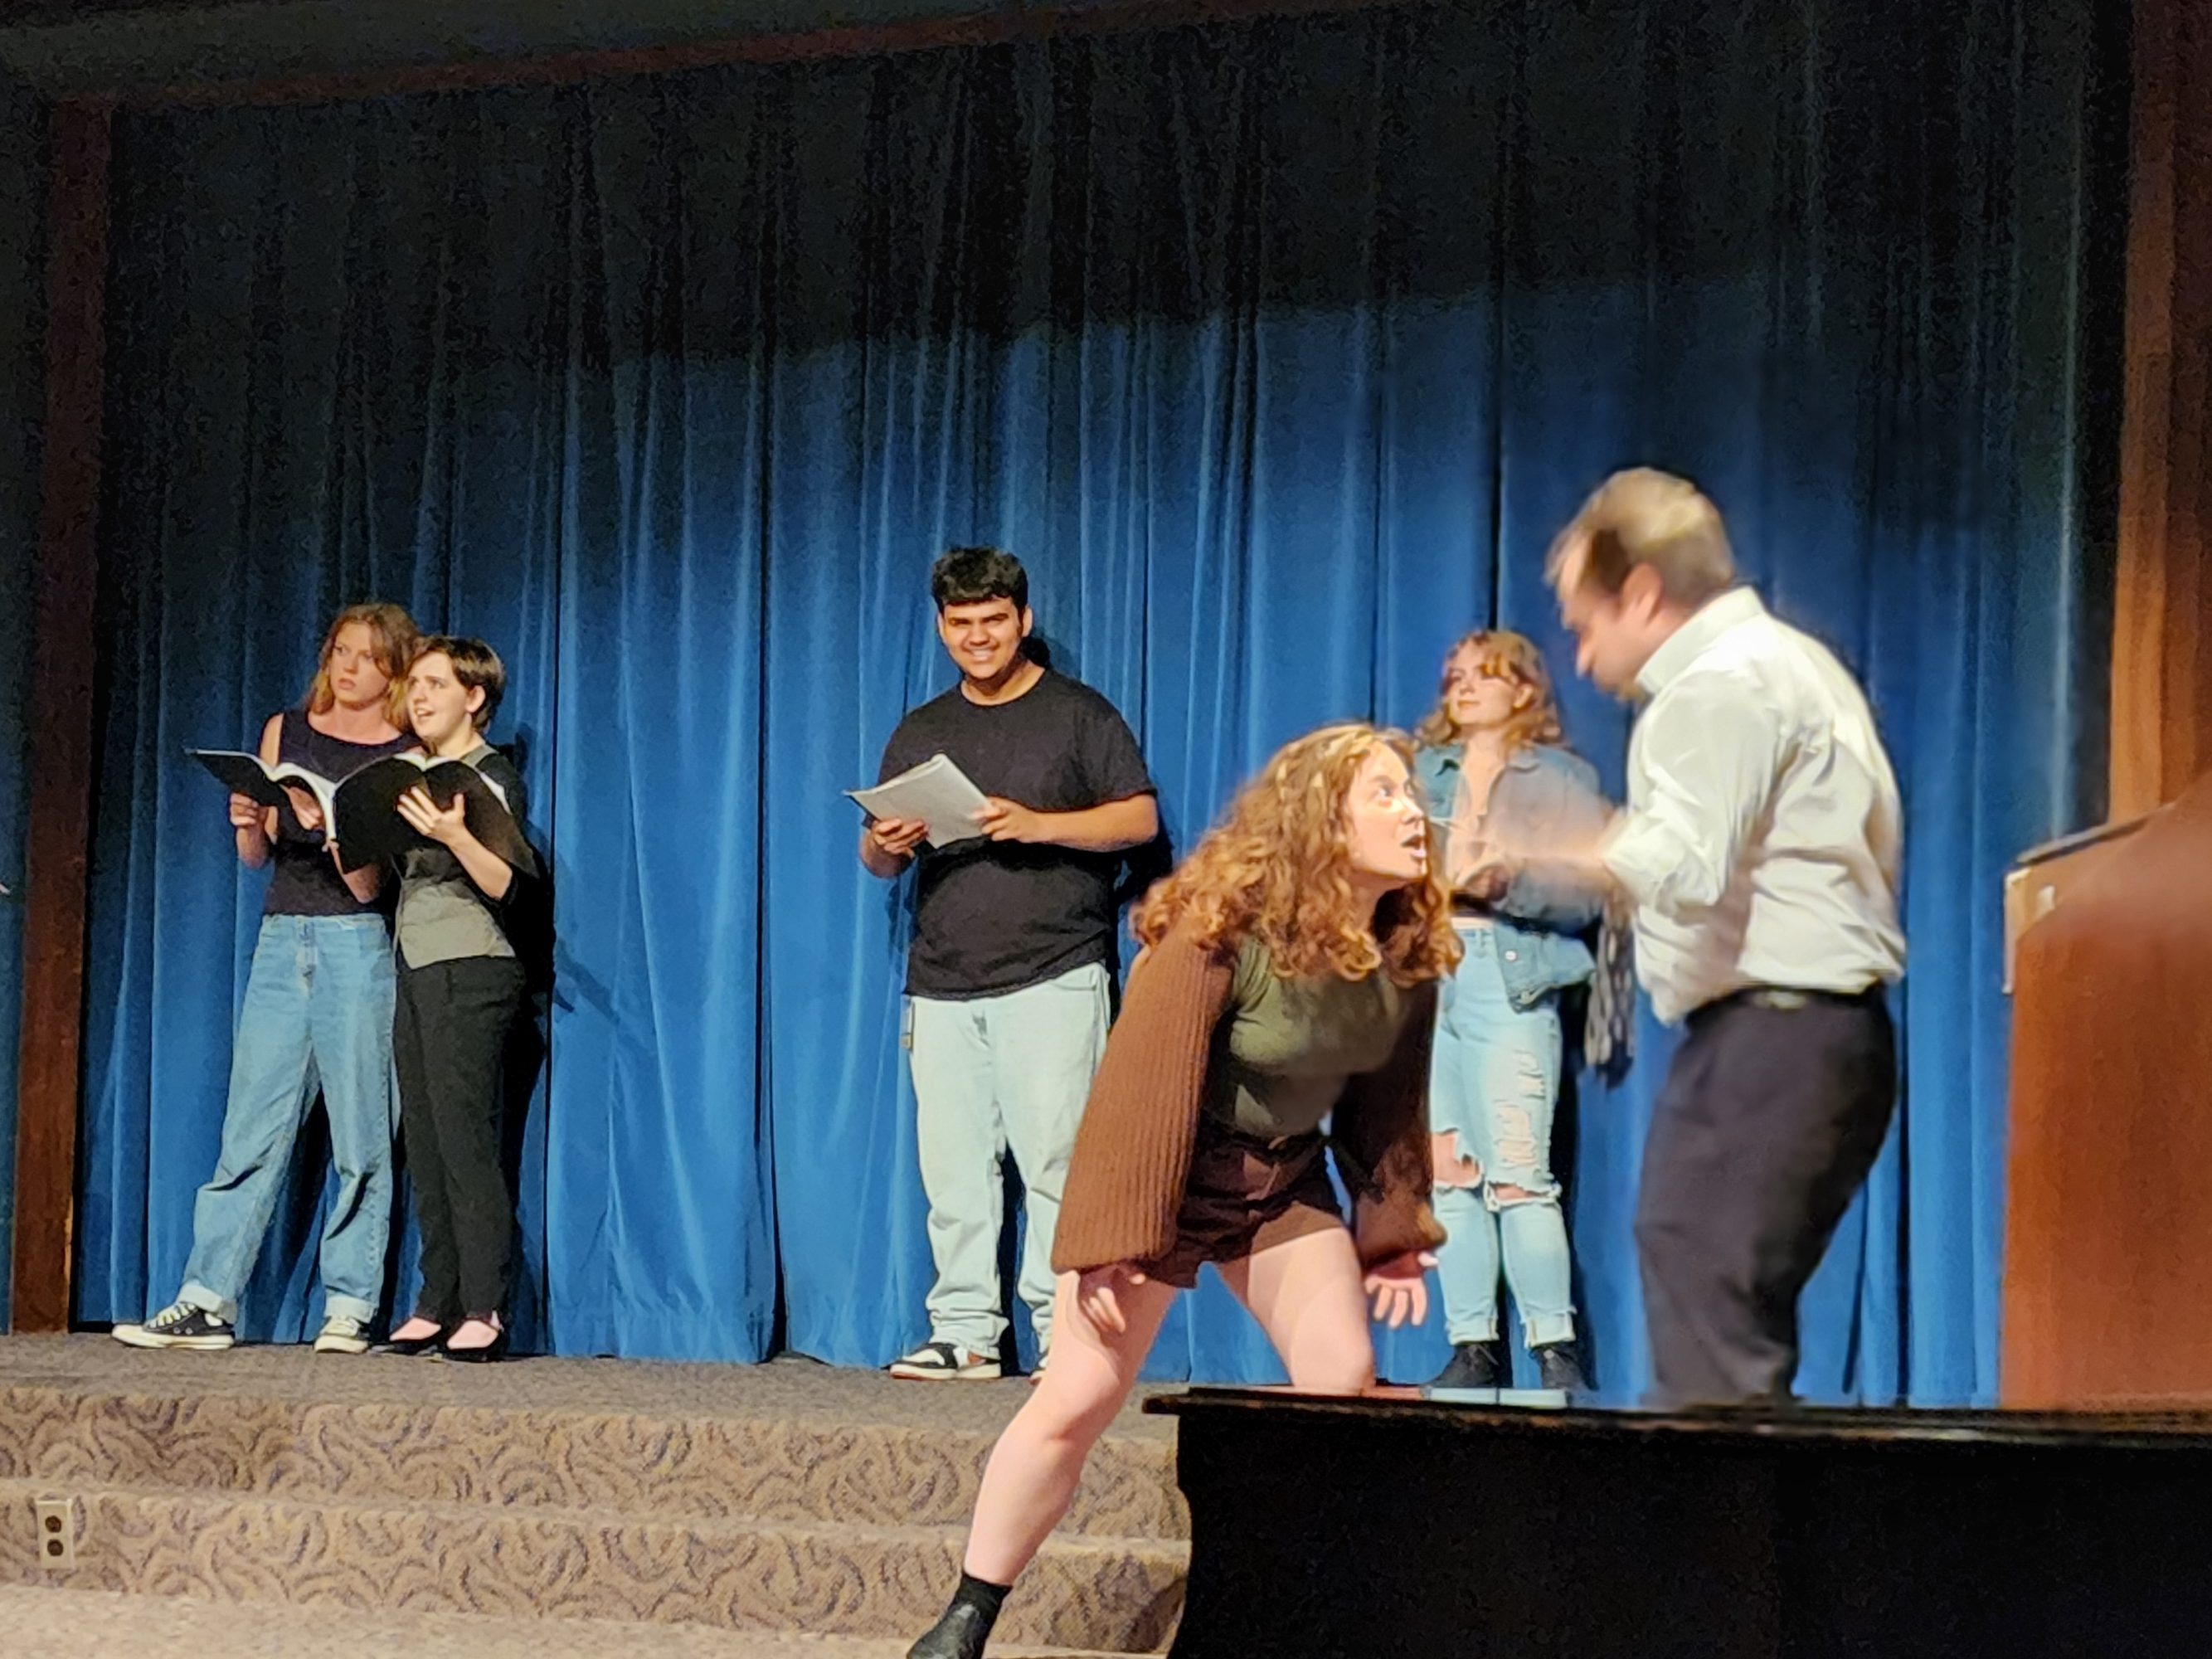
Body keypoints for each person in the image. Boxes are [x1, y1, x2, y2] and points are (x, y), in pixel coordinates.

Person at [905, 722, 1453, 1659]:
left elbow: (1384, 1108)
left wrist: (1390, 1228)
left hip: (1280, 1181)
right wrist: (1114, 1242)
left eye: (1413, 792)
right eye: (1387, 793)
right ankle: (966, 1614)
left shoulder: (1398, 948)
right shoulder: (1221, 923)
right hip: (1170, 1169)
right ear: (1323, 818)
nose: (1416, 812)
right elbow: (1140, 1090)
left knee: (1343, 1385)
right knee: (1077, 1396)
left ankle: (1297, 1611)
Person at [1542, 468, 1904, 1407]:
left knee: (1710, 1325)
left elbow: (1685, 865)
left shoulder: (1719, 684)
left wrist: (1555, 841)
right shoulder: (1793, 663)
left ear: (1645, 593)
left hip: (1775, 1038)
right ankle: (1749, 1544)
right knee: (1717, 1313)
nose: (1580, 660)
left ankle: (1733, 1550)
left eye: (1586, 625)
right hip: (1808, 1038)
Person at [863, 547, 1159, 1382]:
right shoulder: (923, 727)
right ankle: (964, 1330)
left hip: (1053, 969)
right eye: (962, 624)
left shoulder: (1076, 714)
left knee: (1059, 1162)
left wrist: (1040, 823)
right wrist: (885, 842)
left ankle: (1065, 1332)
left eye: (994, 621)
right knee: (953, 1172)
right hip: (944, 977)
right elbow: (878, 862)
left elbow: (1138, 817)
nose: (979, 637)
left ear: (1023, 621)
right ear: (941, 628)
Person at [115, 601, 421, 1355]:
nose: (348, 668)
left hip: (356, 942)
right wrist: (251, 822)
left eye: (366, 658)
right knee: (251, 1126)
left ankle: (350, 1306)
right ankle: (206, 1299)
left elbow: (369, 888)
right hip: (283, 939)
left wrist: (334, 828)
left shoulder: (405, 750)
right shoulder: (287, 729)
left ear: (392, 671)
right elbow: (259, 864)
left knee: (361, 1133)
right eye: (340, 652)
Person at [1412, 630, 1611, 1391]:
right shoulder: (1420, 771)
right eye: (1453, 674)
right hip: (1430, 977)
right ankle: (1471, 1346)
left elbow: (1589, 889)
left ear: (1523, 690)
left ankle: (1553, 1351)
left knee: (1520, 1176)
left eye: (1483, 676)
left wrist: (1507, 882)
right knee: (1449, 1176)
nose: (1462, 687)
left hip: (1508, 970)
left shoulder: (1557, 777)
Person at [382, 637, 536, 1362]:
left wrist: (453, 832)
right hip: (415, 965)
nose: (419, 696)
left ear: (473, 698)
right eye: (414, 684)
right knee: (427, 1141)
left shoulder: (488, 776)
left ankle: (484, 1305)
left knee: (467, 1141)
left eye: (435, 684)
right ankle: (433, 1299)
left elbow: (508, 883)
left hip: (472, 967)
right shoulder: (409, 774)